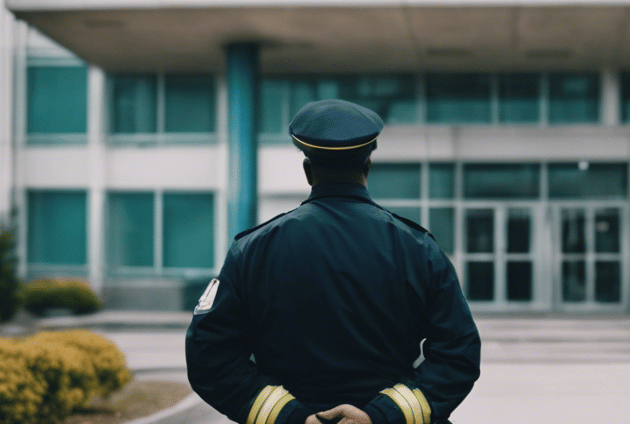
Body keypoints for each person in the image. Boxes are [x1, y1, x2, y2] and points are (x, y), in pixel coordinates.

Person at [186, 99, 481, 424]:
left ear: (308, 170)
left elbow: (208, 355)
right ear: (367, 167)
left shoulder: (252, 250)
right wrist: (381, 415)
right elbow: (459, 354)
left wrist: (291, 417)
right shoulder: (418, 248)